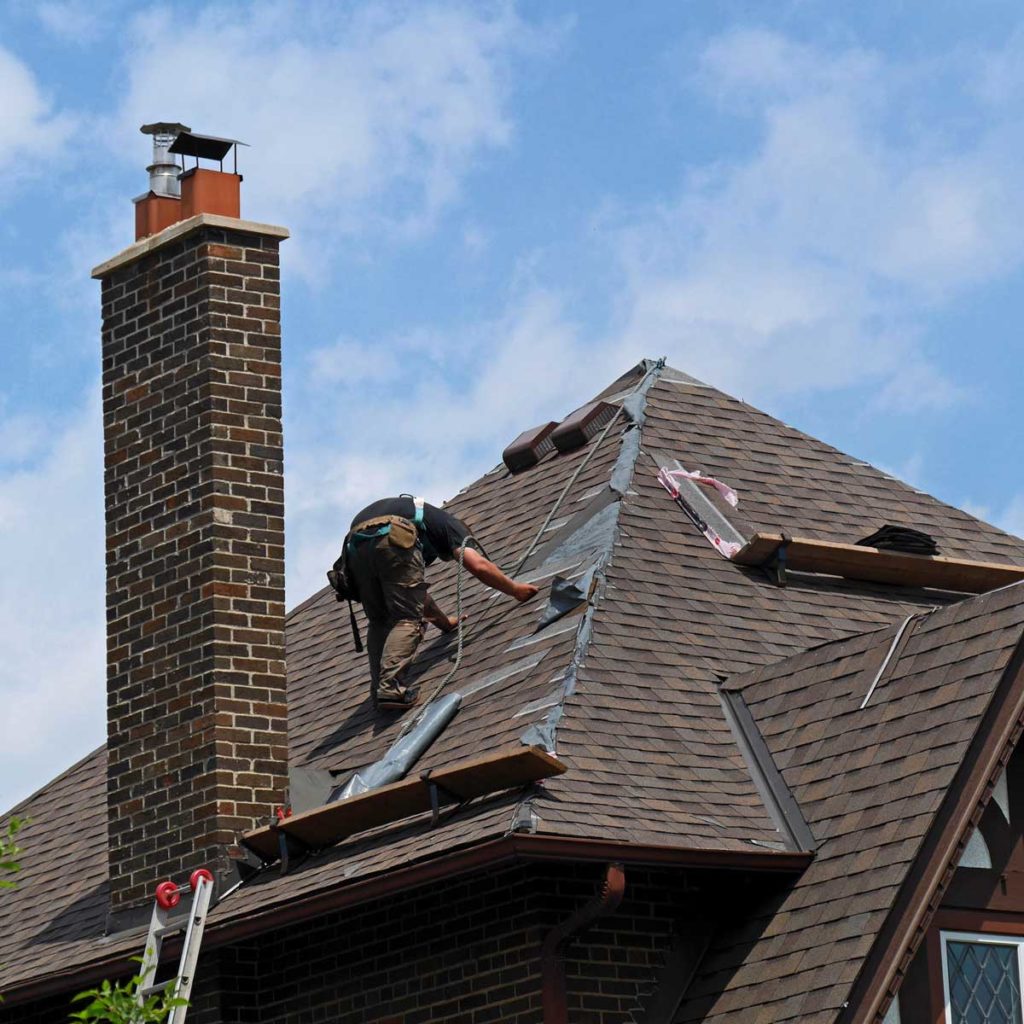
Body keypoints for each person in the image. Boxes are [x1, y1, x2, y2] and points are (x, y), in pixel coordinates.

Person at [344, 495, 539, 711]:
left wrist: (445, 624)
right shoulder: (451, 526)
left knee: (379, 620)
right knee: (408, 619)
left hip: (355, 546)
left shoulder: (413, 514)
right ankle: (390, 688)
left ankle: (379, 691)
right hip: (390, 535)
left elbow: (414, 594)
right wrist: (515, 590)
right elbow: (478, 565)